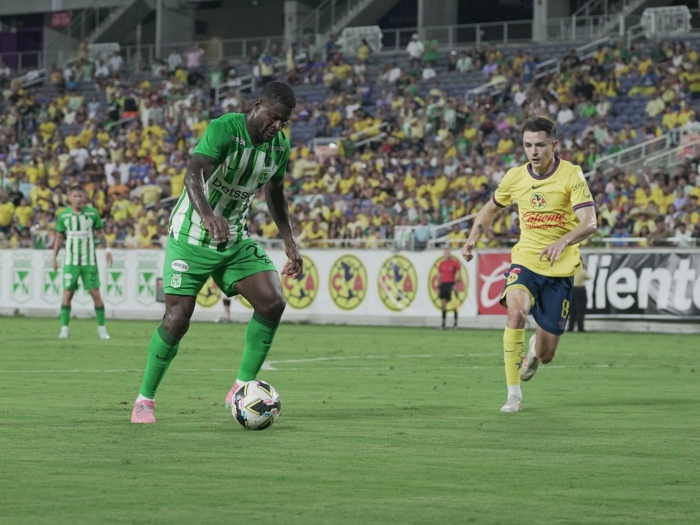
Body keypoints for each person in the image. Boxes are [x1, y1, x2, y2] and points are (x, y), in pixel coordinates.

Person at [131, 81, 302, 424]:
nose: (276, 126)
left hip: (234, 237)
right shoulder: (224, 129)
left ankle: (241, 387)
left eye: (283, 121)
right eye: (273, 117)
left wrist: (289, 239)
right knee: (177, 320)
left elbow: (275, 193)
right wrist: (208, 215)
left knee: (273, 302)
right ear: (257, 106)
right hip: (192, 236)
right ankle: (144, 400)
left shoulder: (278, 148)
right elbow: (193, 173)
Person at [461, 116, 597, 413]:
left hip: (560, 270)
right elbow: (490, 208)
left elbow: (590, 223)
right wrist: (472, 238)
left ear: (554, 144)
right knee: (516, 313)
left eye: (540, 145)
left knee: (547, 355)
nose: (533, 151)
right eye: (527, 145)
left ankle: (535, 350)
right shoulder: (515, 177)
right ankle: (513, 395)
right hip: (525, 261)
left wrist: (563, 241)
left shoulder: (571, 175)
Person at [52, 186, 113, 340]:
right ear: (69, 198)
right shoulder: (64, 215)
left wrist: (107, 251)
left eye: (81, 195)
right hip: (70, 261)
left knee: (95, 293)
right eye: (75, 196)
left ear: (85, 197)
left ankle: (102, 329)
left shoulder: (93, 213)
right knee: (67, 293)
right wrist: (54, 257)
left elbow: (100, 233)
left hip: (89, 261)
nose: (78, 199)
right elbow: (59, 238)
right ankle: (64, 328)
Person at [437, 248, 461, 330]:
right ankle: (443, 324)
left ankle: (455, 323)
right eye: (445, 252)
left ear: (450, 253)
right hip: (443, 285)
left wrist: (456, 284)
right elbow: (439, 276)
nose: (446, 253)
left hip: (451, 284)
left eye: (447, 252)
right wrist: (438, 287)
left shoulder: (454, 263)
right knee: (443, 305)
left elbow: (458, 274)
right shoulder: (441, 264)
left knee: (454, 304)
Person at [568, 265, 591, 333]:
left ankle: (570, 328)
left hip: (572, 290)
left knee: (572, 310)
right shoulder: (582, 271)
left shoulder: (570, 270)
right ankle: (580, 328)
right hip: (580, 290)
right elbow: (589, 277)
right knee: (580, 310)